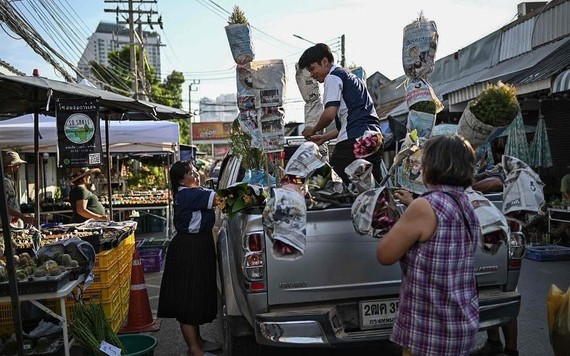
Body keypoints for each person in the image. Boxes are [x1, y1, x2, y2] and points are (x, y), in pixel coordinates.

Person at [377, 134, 481, 356]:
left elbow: (385, 255)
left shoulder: (425, 206)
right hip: (460, 324)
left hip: (430, 331)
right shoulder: (466, 203)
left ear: (430, 166)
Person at [157, 161, 221, 356]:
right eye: (191, 172)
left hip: (197, 245)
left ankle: (199, 342)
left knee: (196, 295)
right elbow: (220, 198)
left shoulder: (191, 192)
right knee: (188, 299)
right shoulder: (187, 194)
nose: (196, 174)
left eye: (194, 170)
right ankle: (194, 349)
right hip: (189, 249)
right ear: (180, 180)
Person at [298, 43, 383, 185]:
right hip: (374, 139)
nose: (312, 75)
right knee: (373, 189)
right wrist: (324, 137)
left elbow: (329, 114)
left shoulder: (332, 77)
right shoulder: (352, 78)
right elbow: (349, 122)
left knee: (332, 182)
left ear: (325, 61)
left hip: (356, 141)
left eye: (312, 69)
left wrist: (313, 129)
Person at [2, 150, 36, 227]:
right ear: (11, 166)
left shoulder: (8, 179)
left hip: (12, 220)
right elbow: (3, 205)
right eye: (18, 165)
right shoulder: (5, 181)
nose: (18, 167)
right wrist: (22, 216)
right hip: (8, 223)